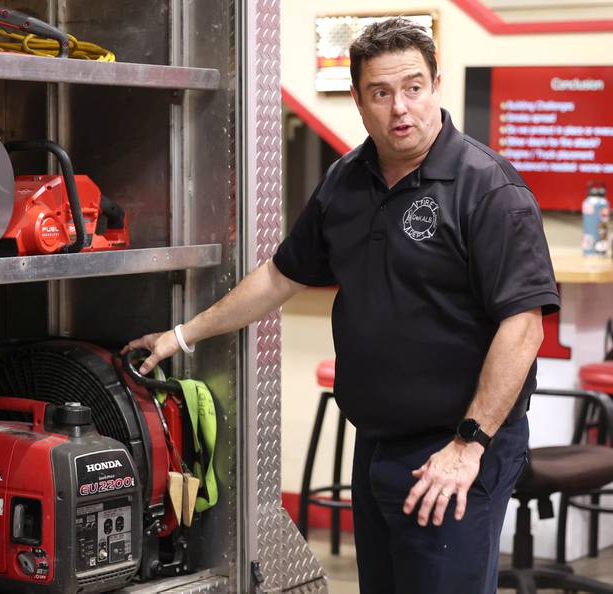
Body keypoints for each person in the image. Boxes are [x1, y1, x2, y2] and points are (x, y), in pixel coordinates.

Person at [124, 17, 559, 594]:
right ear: (357, 99)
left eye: (413, 87)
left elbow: (523, 326)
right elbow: (280, 277)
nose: (399, 108)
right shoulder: (345, 182)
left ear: (436, 85)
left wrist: (468, 445)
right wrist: (181, 335)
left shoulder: (488, 188)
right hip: (377, 441)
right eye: (380, 93)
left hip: (454, 450)